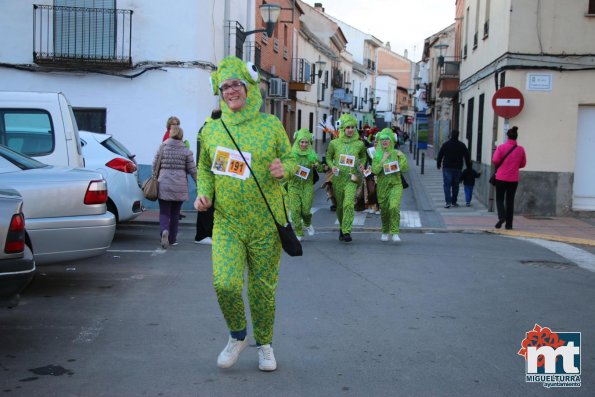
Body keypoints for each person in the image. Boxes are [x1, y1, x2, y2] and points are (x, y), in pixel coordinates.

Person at [194, 56, 296, 372]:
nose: (231, 91)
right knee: (225, 283)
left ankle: (264, 344)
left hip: (266, 222)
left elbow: (292, 161)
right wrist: (204, 192)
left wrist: (286, 169)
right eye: (225, 87)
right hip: (227, 221)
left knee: (262, 290)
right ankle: (237, 335)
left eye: (236, 84)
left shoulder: (271, 126)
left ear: (249, 86)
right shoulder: (211, 129)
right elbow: (204, 167)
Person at [153, 125, 197, 248]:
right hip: (180, 185)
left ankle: (164, 231)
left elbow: (155, 164)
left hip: (164, 183)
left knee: (164, 212)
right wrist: (199, 183)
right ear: (181, 136)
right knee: (175, 213)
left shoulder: (162, 147)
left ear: (171, 134)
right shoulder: (186, 151)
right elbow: (192, 170)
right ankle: (172, 239)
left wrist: (156, 177)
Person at [326, 113, 366, 242]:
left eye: (353, 127)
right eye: (348, 127)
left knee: (349, 204)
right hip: (338, 178)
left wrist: (362, 164)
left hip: (352, 179)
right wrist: (332, 166)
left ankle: (346, 231)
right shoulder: (334, 143)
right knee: (340, 206)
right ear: (342, 128)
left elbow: (364, 157)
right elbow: (328, 158)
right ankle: (342, 227)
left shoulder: (359, 144)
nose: (350, 130)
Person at [371, 128, 409, 242]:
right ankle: (385, 231)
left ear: (392, 140)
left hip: (396, 184)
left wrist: (401, 156)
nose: (384, 141)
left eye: (387, 139)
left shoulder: (396, 153)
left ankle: (395, 232)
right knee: (385, 210)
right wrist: (383, 159)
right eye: (382, 140)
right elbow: (375, 171)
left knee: (394, 207)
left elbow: (405, 168)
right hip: (382, 186)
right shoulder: (376, 155)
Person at [288, 128, 322, 241]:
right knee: (295, 210)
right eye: (302, 142)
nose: (304, 144)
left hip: (307, 185)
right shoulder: (291, 154)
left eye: (306, 142)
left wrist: (318, 166)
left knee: (306, 210)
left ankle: (307, 223)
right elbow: (286, 167)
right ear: (297, 141)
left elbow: (321, 168)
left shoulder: (312, 155)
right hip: (293, 185)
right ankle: (298, 231)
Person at [194, 111, 221, 245]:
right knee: (207, 204)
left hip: (206, 169)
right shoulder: (212, 129)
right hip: (211, 170)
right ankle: (203, 234)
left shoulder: (204, 127)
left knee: (206, 203)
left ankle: (203, 234)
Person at [492, 126, 527, 229]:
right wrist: (515, 166)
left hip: (501, 178)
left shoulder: (501, 147)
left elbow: (495, 160)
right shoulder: (521, 149)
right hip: (513, 179)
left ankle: (501, 217)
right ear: (516, 137)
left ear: (507, 136)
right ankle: (509, 225)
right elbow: (523, 163)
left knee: (499, 199)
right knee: (510, 201)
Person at [436, 129, 471, 208]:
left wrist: (438, 164)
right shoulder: (462, 145)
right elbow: (467, 156)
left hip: (447, 167)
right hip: (458, 168)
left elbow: (440, 154)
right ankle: (454, 202)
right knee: (456, 185)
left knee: (447, 185)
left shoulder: (446, 144)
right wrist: (469, 167)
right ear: (458, 135)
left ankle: (448, 202)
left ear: (451, 135)